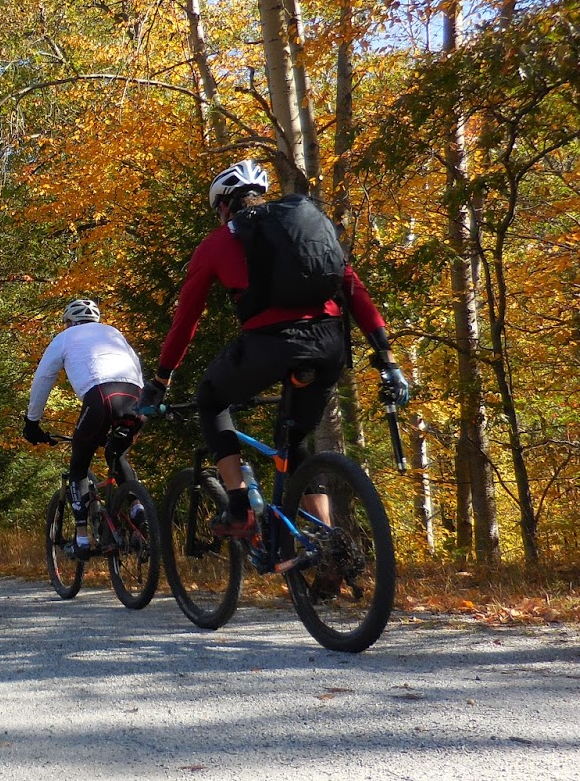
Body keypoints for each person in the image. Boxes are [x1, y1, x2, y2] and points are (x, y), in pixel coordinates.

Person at [139, 160, 410, 538]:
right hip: (329, 345)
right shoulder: (308, 230)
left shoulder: (217, 243)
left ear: (224, 206)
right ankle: (328, 543)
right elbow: (353, 290)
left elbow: (185, 321)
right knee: (293, 440)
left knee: (211, 398)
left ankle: (238, 509)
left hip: (270, 345)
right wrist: (387, 358)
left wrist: (161, 378)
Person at [24, 298, 146, 556]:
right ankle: (138, 506)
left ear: (69, 322)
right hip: (136, 398)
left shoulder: (65, 337)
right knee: (116, 453)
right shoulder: (114, 333)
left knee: (78, 468)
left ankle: (81, 539)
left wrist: (32, 422)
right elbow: (136, 367)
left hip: (101, 398)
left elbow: (43, 378)